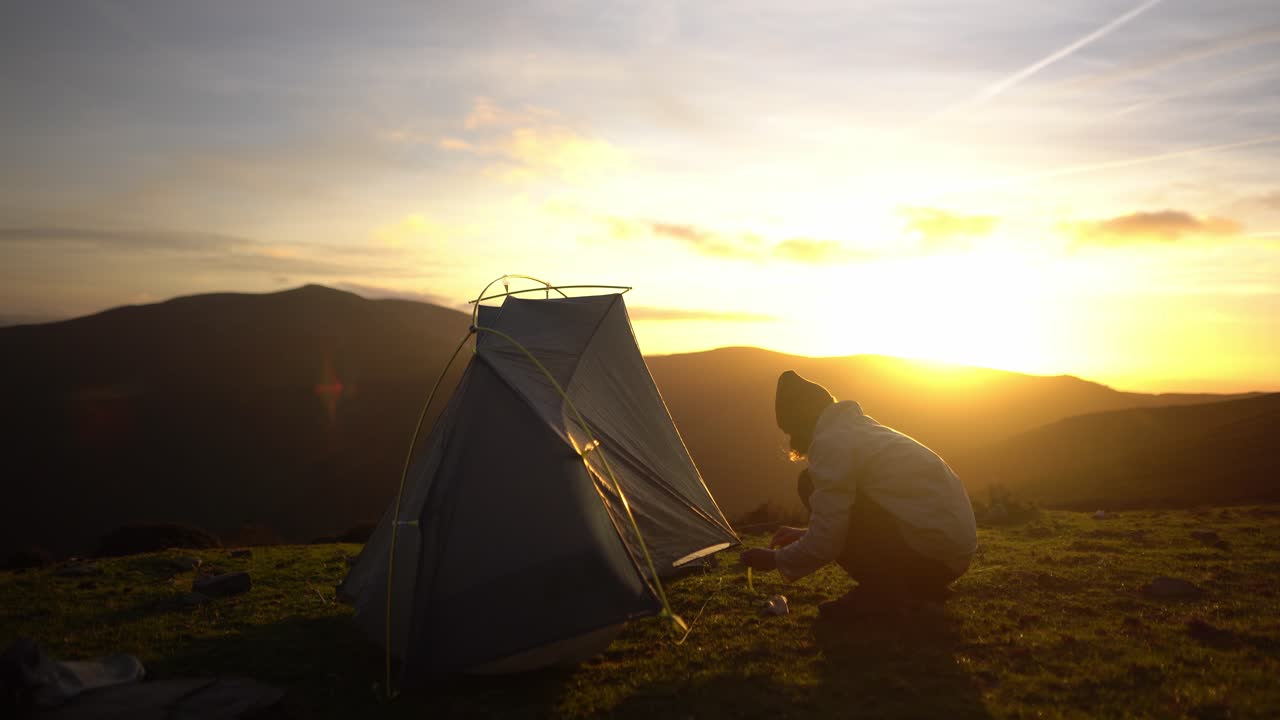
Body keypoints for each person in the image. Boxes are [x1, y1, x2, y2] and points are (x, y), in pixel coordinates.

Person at [740, 370, 977, 620]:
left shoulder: (832, 442)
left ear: (802, 421)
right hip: (952, 554)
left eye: (791, 430)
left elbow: (830, 539)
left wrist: (776, 559)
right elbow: (866, 512)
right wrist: (806, 534)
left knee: (808, 482)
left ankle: (883, 594)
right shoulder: (858, 430)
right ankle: (916, 588)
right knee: (818, 484)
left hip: (931, 555)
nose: (791, 440)